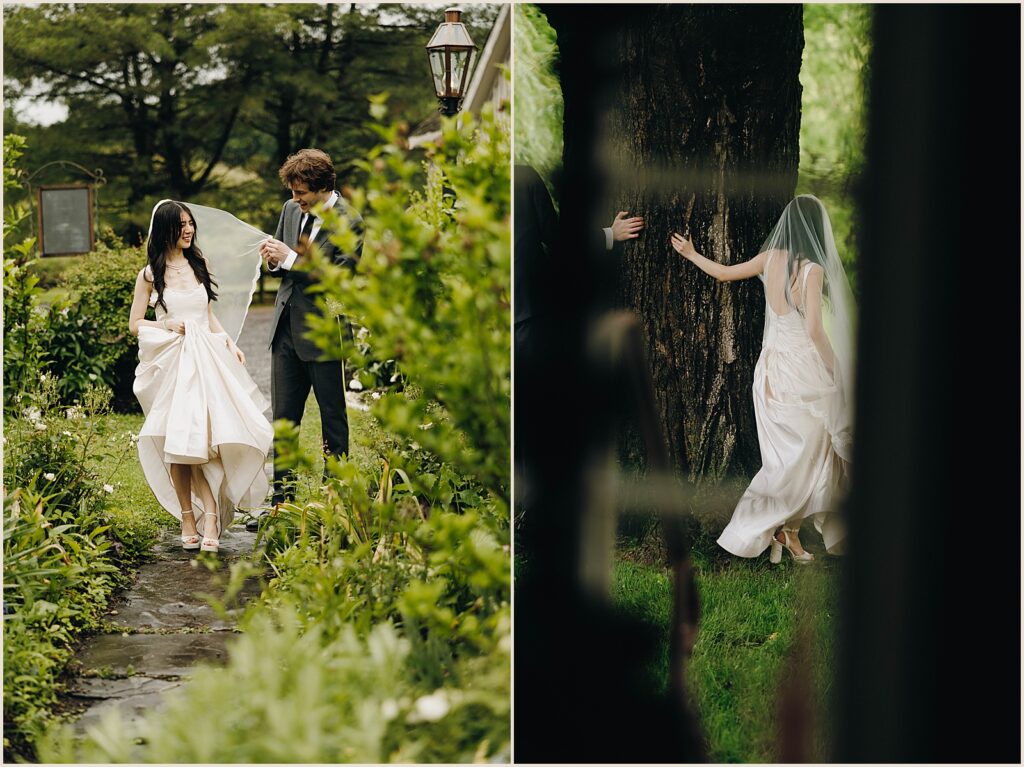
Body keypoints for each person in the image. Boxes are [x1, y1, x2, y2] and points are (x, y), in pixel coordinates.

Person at [670, 194, 855, 563]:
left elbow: (723, 273)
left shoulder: (769, 259)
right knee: (807, 455)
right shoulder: (812, 269)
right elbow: (816, 330)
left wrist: (691, 253)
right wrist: (837, 371)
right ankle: (758, 528)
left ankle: (790, 535)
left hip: (770, 371)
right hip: (803, 370)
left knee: (795, 457)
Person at [129, 200, 273, 553]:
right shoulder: (150, 274)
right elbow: (134, 325)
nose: (189, 229)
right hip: (173, 365)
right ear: (166, 229)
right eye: (182, 225)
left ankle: (209, 511)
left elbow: (207, 315)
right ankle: (189, 515)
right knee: (178, 444)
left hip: (206, 361)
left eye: (191, 223)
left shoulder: (199, 264)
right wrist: (165, 323)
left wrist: (228, 341)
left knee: (204, 441)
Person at [256, 148, 364, 522]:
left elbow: (340, 279)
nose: (295, 200)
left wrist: (289, 260)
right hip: (284, 329)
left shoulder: (351, 221)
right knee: (283, 423)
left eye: (301, 193)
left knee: (333, 421)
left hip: (323, 331)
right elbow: (281, 262)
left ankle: (336, 504)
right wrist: (272, 260)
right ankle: (282, 507)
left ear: (322, 187)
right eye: (292, 192)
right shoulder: (290, 211)